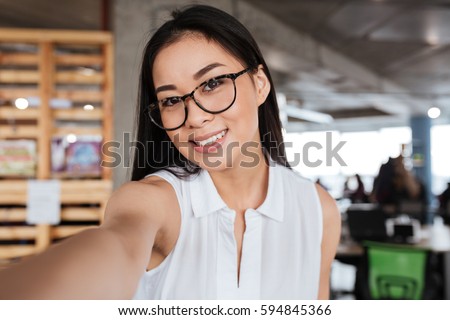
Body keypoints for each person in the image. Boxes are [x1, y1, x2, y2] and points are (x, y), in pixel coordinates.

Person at [0, 5, 340, 299]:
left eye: (212, 83)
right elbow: (112, 249)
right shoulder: (154, 202)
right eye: (172, 100)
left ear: (260, 84)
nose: (195, 117)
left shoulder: (318, 210)